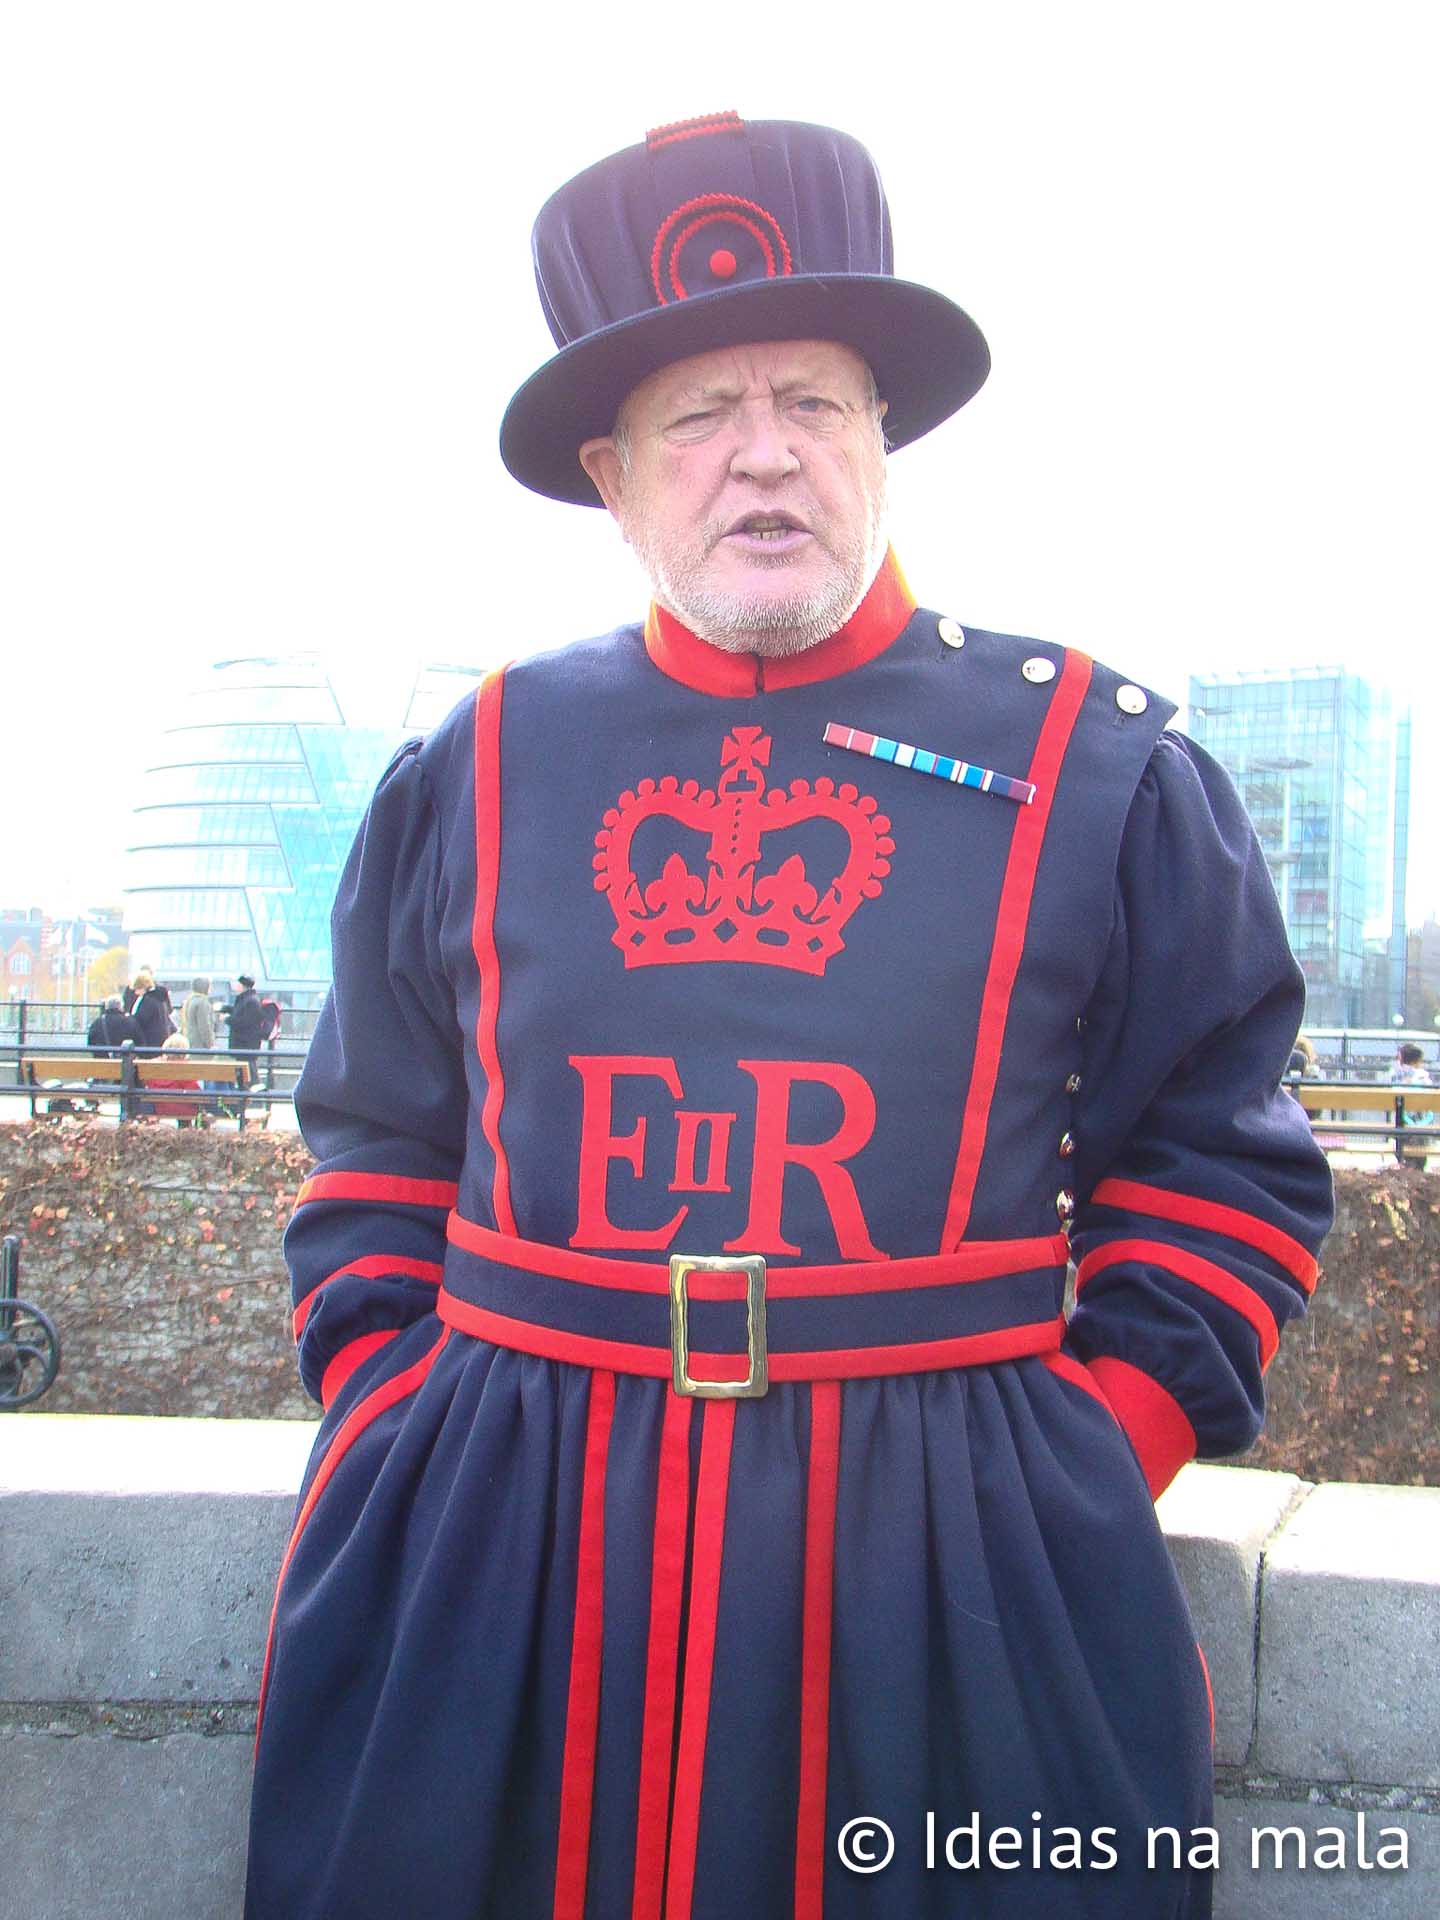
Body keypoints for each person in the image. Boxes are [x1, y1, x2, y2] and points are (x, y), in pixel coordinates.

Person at [246, 115, 1334, 1920]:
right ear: (612, 473)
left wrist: (1084, 1467)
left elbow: (1223, 1165)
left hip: (957, 1563)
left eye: (814, 405)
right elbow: (374, 1147)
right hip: (503, 1551)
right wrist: (393, 1418)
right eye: (698, 416)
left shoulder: (1101, 768)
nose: (765, 459)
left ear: (881, 442)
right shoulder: (478, 767)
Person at [1390, 1041, 1434, 1169]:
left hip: (1400, 1126)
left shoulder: (1394, 1075)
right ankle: (1418, 1167)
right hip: (1419, 1129)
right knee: (1420, 1126)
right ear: (1418, 1061)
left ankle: (1405, 1164)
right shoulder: (1422, 1077)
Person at [128, 967, 172, 1053]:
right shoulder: (158, 999)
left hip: (149, 1042)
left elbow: (139, 1020)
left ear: (143, 987)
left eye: (137, 989)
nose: (136, 992)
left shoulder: (147, 1001)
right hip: (159, 1039)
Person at [225, 973, 264, 1052]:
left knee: (247, 1063)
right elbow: (239, 1011)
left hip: (246, 1045)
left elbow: (244, 1022)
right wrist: (225, 1008)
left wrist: (227, 1019)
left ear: (242, 985)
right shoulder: (246, 999)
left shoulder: (251, 1001)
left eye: (237, 983)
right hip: (242, 1044)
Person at [181, 976, 216, 1052]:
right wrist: (210, 1044)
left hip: (190, 1042)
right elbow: (204, 1026)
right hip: (200, 1046)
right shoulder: (202, 1003)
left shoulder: (190, 1000)